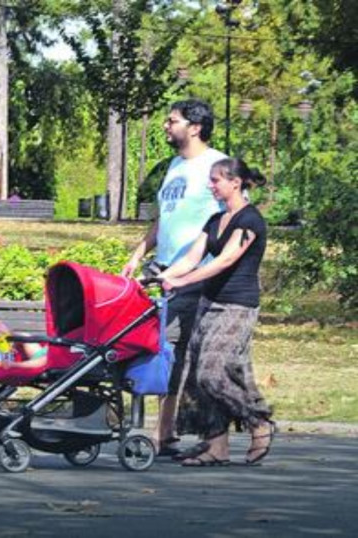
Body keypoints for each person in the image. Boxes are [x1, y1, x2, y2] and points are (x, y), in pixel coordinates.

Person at [120, 99, 227, 459]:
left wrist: (211, 264)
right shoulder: (176, 166)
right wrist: (139, 253)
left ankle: (164, 432)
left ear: (195, 127)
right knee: (159, 348)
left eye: (173, 121)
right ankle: (164, 433)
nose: (166, 126)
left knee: (173, 349)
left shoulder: (217, 165)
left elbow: (233, 218)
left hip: (193, 274)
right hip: (161, 267)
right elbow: (165, 217)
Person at [158, 158, 274, 467]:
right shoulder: (214, 220)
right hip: (209, 303)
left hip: (237, 305)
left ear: (235, 183)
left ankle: (258, 421)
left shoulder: (250, 220)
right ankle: (217, 447)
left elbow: (224, 261)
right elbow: (191, 257)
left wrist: (181, 281)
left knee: (213, 372)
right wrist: (165, 276)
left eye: (216, 180)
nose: (211, 185)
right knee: (197, 376)